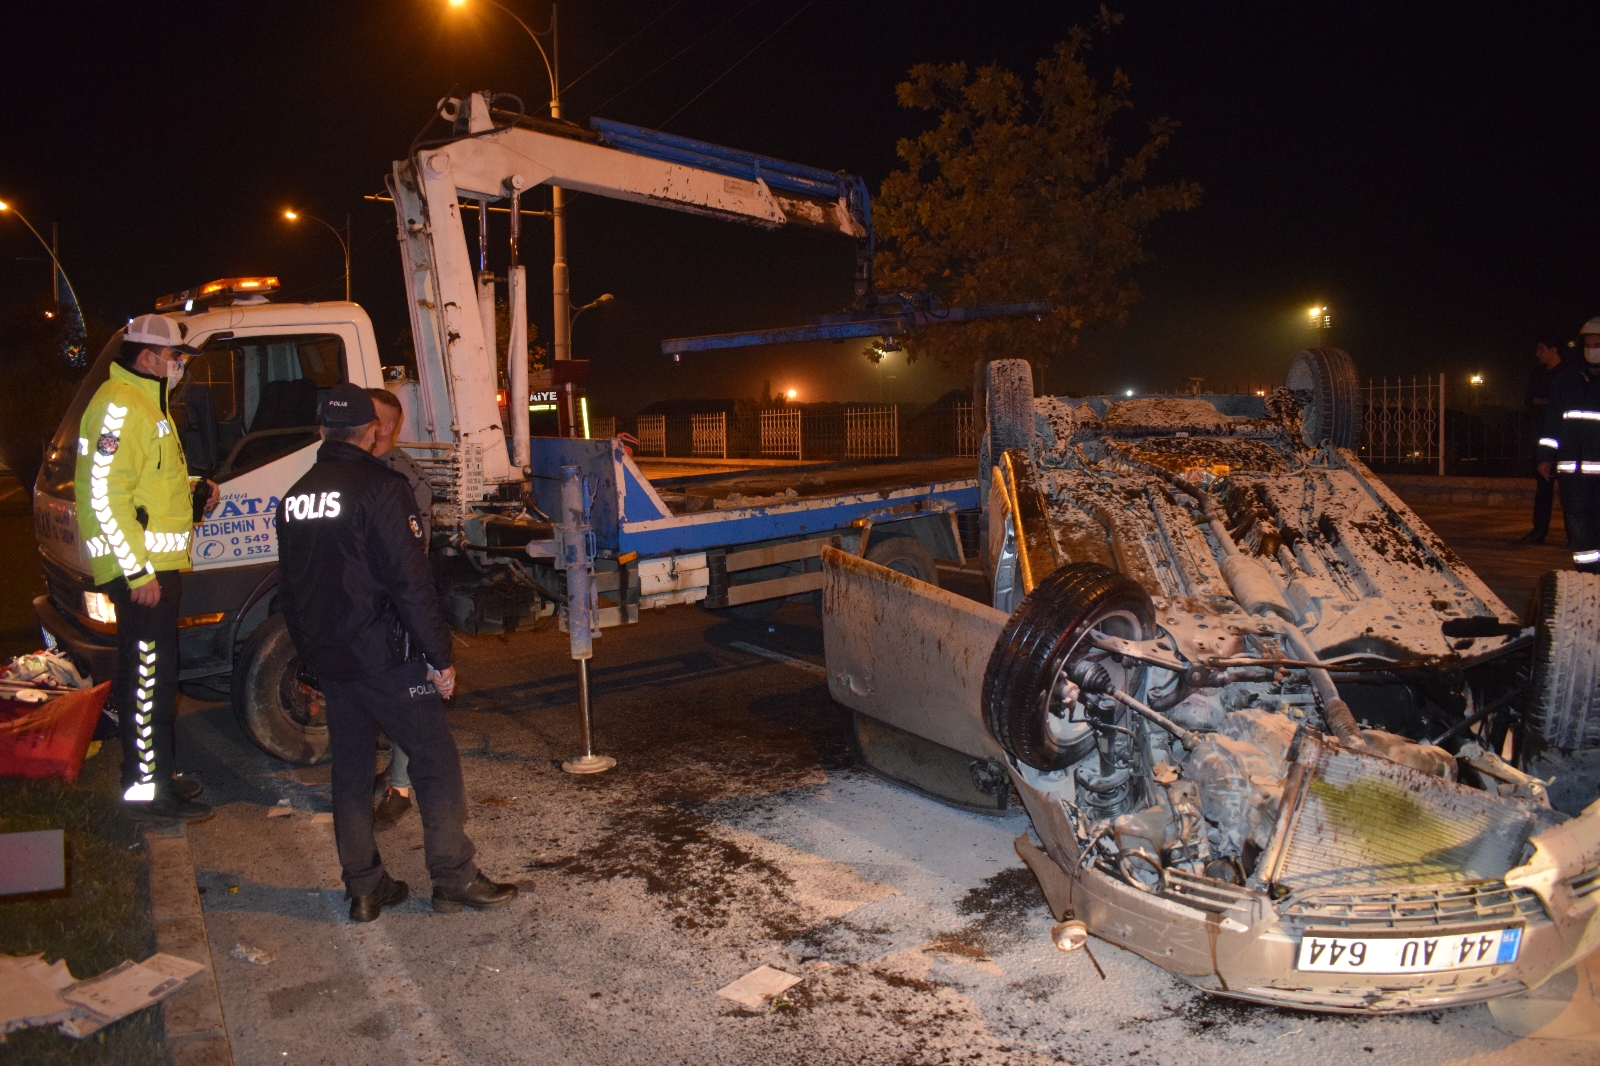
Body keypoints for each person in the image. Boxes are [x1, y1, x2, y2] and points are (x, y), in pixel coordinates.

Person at [275, 383, 516, 922]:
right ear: (372, 432)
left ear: (322, 431)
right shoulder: (382, 488)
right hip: (387, 657)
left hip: (335, 660)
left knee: (352, 772)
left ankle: (364, 887)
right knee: (435, 762)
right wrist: (440, 656)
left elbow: (289, 592)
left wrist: (312, 658)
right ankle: (454, 878)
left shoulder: (295, 497)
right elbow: (410, 583)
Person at [77, 314, 217, 822]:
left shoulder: (145, 405)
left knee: (158, 679)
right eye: (175, 357)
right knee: (145, 679)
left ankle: (159, 776)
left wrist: (196, 488)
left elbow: (146, 484)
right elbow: (104, 493)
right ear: (146, 358)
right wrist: (137, 574)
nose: (179, 366)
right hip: (142, 575)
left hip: (156, 569)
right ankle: (144, 790)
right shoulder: (121, 405)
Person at [366, 387, 433, 831]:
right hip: (379, 602)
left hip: (397, 602)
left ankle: (402, 789)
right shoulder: (375, 471)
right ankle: (393, 773)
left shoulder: (396, 477)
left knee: (406, 696)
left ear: (383, 428)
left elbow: (405, 554)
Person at [1539, 318, 1600, 572]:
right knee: (1578, 529)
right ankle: (1589, 579)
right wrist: (1545, 455)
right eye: (1588, 344)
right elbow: (1553, 423)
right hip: (1572, 476)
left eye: (1598, 344)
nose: (1592, 349)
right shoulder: (1566, 381)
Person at [1519, 333, 1567, 544]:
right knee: (1543, 486)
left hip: (1565, 437)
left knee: (1569, 489)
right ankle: (1539, 531)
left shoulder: (1568, 373)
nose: (1537, 353)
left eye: (1541, 349)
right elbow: (1528, 399)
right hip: (1542, 435)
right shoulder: (1538, 373)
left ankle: (1573, 535)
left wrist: (1550, 405)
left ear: (1553, 350)